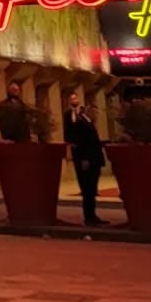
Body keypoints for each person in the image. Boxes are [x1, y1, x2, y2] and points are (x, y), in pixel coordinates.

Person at [63, 91, 107, 227]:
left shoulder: (85, 118)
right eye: (94, 111)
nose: (96, 113)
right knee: (88, 189)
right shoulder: (74, 119)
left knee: (92, 189)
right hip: (85, 158)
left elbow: (92, 140)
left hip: (94, 158)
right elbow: (78, 140)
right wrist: (83, 158)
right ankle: (89, 217)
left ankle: (92, 216)